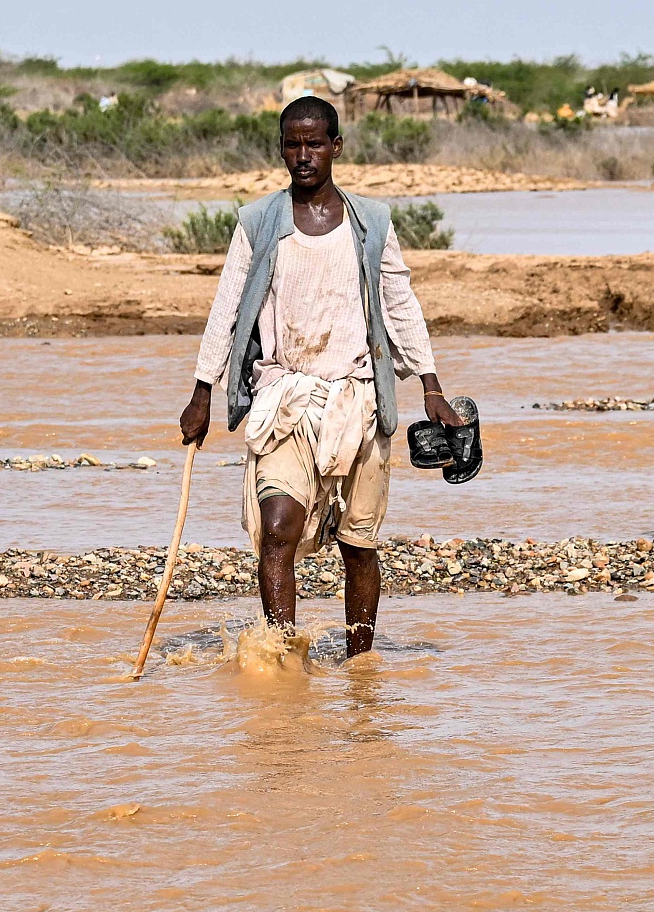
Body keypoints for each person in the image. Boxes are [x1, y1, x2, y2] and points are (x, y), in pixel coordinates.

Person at [177, 96, 463, 657]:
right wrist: (202, 392)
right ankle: (284, 658)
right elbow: (227, 308)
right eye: (292, 143)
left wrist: (430, 384)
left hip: (358, 398)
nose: (303, 155)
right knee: (278, 528)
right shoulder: (259, 222)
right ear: (281, 147)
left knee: (358, 544)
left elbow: (400, 302)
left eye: (314, 144)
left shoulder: (370, 223)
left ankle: (361, 668)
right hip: (285, 395)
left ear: (336, 147)